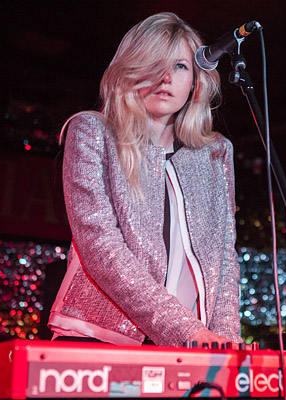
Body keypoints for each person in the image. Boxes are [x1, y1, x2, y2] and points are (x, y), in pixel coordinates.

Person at [48, 12, 242, 347]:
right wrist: (186, 332)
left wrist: (225, 342)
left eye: (180, 66)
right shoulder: (92, 132)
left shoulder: (215, 153)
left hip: (192, 345)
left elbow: (224, 258)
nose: (166, 77)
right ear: (130, 69)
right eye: (154, 63)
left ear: (196, 80)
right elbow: (101, 247)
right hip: (99, 338)